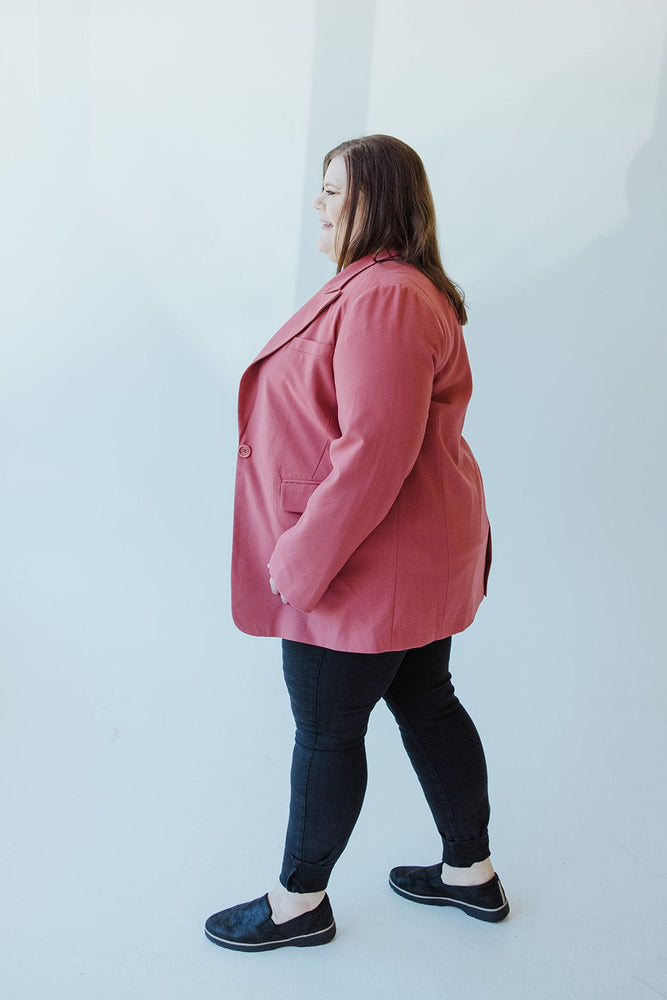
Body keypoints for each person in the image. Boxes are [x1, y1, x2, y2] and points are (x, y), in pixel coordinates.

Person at [204, 134, 509, 953]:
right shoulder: (384, 289)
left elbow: (374, 448)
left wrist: (302, 560)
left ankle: (297, 904)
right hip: (402, 557)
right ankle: (468, 875)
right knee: (425, 701)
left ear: (375, 199)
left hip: (361, 565)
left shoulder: (385, 298)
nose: (319, 203)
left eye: (333, 189)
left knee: (329, 734)